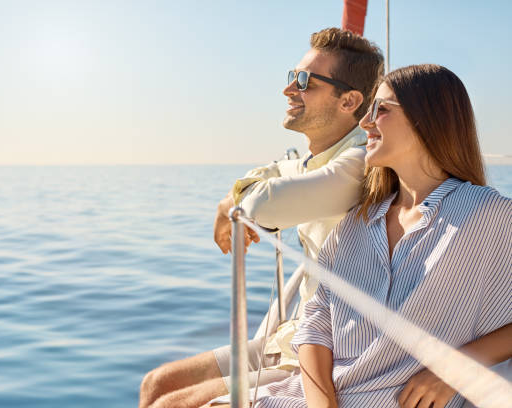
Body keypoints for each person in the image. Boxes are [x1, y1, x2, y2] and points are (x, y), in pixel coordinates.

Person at [214, 64, 511, 408]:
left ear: (427, 119)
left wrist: (454, 369)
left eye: (381, 110)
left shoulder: (487, 214)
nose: (366, 122)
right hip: (318, 396)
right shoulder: (358, 222)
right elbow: (315, 324)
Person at [139, 28, 383, 408]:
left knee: (171, 404)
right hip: (295, 335)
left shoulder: (361, 162)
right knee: (156, 383)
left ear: (349, 100)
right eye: (291, 77)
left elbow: (263, 206)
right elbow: (280, 172)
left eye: (304, 82)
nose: (289, 90)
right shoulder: (316, 162)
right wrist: (234, 196)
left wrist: (230, 204)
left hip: (332, 350)